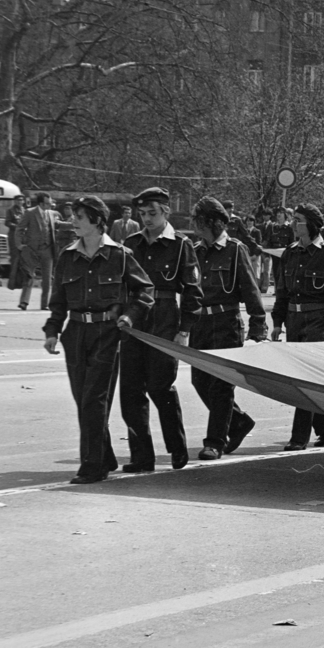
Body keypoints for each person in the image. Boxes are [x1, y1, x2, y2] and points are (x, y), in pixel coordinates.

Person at [41, 196, 156, 484]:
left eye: (78, 217)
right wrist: (52, 331)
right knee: (84, 401)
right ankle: (104, 455)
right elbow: (58, 300)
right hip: (75, 334)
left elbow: (145, 292)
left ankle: (92, 466)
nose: (73, 222)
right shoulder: (68, 256)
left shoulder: (120, 255)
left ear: (96, 220)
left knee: (94, 400)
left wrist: (129, 317)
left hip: (107, 334)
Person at [118, 187, 202, 473]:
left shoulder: (180, 245)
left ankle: (176, 448)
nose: (146, 219)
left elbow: (192, 291)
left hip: (165, 321)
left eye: (152, 213)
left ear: (166, 211)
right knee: (130, 390)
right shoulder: (131, 243)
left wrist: (185, 330)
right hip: (134, 321)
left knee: (160, 387)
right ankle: (141, 456)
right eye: (142, 214)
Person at [272, 204, 324, 451]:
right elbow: (281, 291)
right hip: (293, 321)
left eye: (297, 220)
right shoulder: (289, 253)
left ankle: (298, 438)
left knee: (304, 378)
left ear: (310, 224)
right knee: (297, 378)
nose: (292, 224)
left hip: (317, 319)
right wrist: (277, 323)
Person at [190, 197, 266, 460]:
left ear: (211, 222)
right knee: (199, 381)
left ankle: (215, 442)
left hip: (226, 324)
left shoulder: (235, 250)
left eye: (198, 220)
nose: (193, 225)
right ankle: (239, 422)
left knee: (221, 386)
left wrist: (258, 329)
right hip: (201, 325)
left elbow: (251, 290)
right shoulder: (196, 251)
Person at [16, 192, 59, 311]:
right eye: (47, 203)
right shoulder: (30, 213)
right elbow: (20, 228)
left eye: (50, 203)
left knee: (47, 279)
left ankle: (44, 304)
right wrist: (19, 244)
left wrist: (73, 225)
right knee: (29, 275)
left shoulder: (51, 214)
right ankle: (24, 302)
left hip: (47, 249)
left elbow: (57, 225)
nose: (50, 205)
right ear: (41, 203)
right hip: (32, 249)